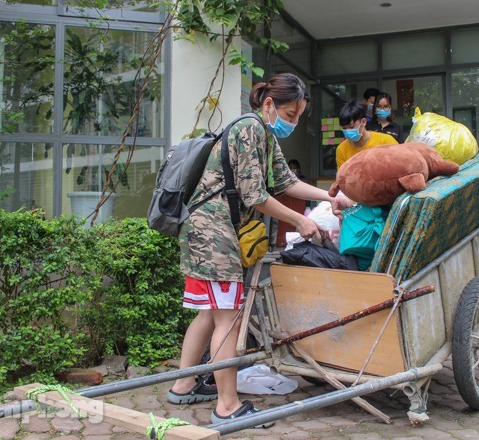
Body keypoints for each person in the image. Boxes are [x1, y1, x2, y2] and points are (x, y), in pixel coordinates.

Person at [168, 73, 353, 426]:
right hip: (213, 233)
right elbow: (256, 196)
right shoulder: (249, 129)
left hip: (205, 230)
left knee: (209, 313)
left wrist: (332, 196)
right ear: (268, 104)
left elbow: (287, 182)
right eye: (289, 115)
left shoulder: (264, 135)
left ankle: (184, 383)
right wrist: (299, 222)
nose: (293, 123)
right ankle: (227, 407)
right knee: (228, 316)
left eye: (298, 117)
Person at [336, 99, 398, 170]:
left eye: (351, 126)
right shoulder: (342, 150)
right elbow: (343, 179)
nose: (348, 131)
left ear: (364, 122)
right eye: (344, 128)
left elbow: (398, 169)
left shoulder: (386, 142)